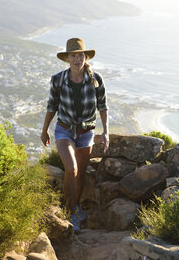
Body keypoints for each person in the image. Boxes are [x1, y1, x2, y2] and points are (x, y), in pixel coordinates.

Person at [41, 37, 109, 231]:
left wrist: (106, 132)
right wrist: (44, 130)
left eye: (81, 55)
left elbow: (103, 107)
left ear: (85, 57)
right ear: (67, 59)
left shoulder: (96, 79)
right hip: (64, 129)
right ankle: (68, 211)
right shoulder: (58, 80)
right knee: (71, 169)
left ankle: (75, 210)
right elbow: (52, 106)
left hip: (86, 132)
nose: (78, 59)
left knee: (79, 176)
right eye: (73, 55)